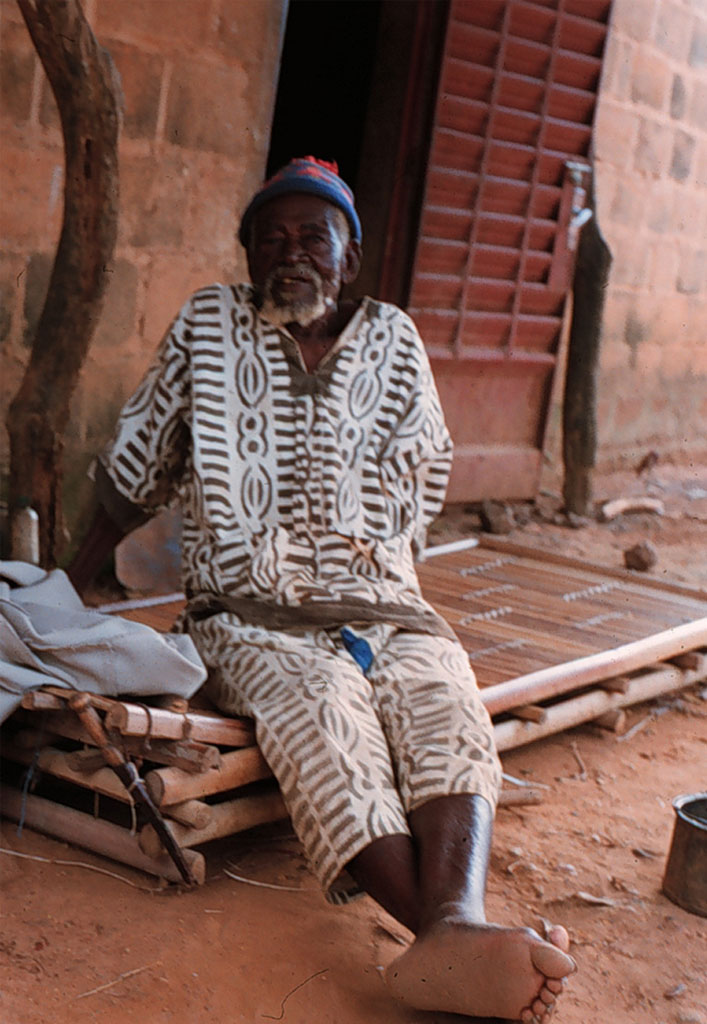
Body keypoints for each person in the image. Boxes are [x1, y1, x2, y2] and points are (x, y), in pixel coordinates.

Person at [69, 157, 576, 1022]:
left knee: (442, 698)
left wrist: (378, 568)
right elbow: (140, 454)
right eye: (270, 238)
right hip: (248, 616)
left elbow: (424, 473)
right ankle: (459, 934)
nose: (289, 252)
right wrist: (82, 572)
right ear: (248, 255)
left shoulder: (396, 339)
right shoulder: (209, 325)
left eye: (313, 236)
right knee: (324, 709)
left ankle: (452, 931)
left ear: (349, 255)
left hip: (384, 603)